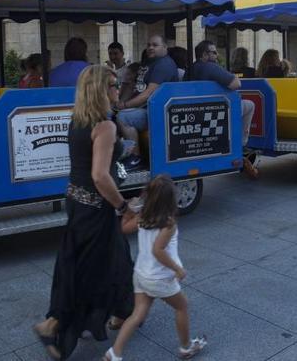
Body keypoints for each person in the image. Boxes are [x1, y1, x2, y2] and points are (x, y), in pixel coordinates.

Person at [34, 65, 135, 360]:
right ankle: (52, 325)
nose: (118, 90)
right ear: (101, 91)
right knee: (89, 271)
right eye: (114, 86)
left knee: (112, 259)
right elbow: (101, 176)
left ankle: (120, 311)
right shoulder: (105, 126)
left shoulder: (78, 120)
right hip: (96, 208)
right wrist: (123, 206)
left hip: (77, 203)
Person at [105, 175, 207, 361]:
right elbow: (158, 251)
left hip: (141, 274)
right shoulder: (168, 223)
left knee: (137, 315)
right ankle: (186, 348)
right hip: (160, 278)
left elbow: (124, 228)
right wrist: (178, 269)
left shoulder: (143, 215)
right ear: (170, 200)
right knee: (182, 307)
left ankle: (114, 353)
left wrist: (129, 212)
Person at [187, 40, 259, 179]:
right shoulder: (210, 67)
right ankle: (241, 144)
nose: (216, 54)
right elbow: (236, 83)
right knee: (250, 105)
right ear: (204, 55)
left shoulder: (192, 68)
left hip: (195, 110)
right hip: (215, 111)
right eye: (214, 52)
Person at [115, 35, 179, 170]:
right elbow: (134, 86)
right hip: (144, 108)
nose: (150, 47)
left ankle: (135, 158)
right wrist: (119, 103)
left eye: (155, 45)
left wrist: (125, 106)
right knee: (112, 115)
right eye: (149, 44)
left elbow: (148, 93)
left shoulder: (164, 65)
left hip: (157, 112)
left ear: (165, 47)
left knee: (123, 117)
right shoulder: (148, 63)